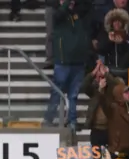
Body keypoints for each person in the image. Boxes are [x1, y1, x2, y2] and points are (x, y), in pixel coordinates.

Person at [43, 0, 91, 132]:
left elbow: (87, 7)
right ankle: (48, 119)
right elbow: (59, 14)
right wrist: (66, 3)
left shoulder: (79, 14)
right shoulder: (57, 14)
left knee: (73, 94)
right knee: (57, 92)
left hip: (78, 61)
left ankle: (72, 120)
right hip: (63, 61)